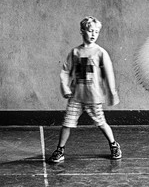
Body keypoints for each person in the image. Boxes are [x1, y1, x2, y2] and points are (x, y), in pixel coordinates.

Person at [48, 16, 122, 163]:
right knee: (67, 124)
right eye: (90, 31)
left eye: (96, 32)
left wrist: (112, 92)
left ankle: (114, 145)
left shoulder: (101, 52)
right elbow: (65, 71)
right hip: (76, 97)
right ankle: (60, 149)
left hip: (93, 97)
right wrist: (65, 87)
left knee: (101, 123)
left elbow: (109, 73)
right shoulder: (75, 52)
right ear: (82, 32)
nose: (93, 34)